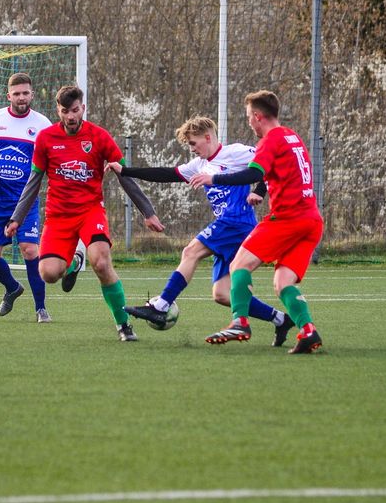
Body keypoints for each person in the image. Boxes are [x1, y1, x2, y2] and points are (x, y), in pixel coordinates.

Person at [107, 116, 294, 346]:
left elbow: (270, 163)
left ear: (207, 137)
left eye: (193, 143)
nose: (192, 149)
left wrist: (259, 191)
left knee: (191, 251)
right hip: (229, 227)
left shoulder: (236, 152)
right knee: (222, 294)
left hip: (236, 222)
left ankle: (161, 305)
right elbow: (166, 174)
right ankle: (280, 319)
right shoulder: (198, 165)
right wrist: (125, 171)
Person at [6, 84, 164, 341]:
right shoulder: (45, 138)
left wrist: (148, 212)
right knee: (48, 274)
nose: (70, 116)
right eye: (65, 111)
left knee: (101, 262)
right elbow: (34, 181)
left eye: (75, 110)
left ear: (83, 108)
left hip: (91, 212)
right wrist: (17, 218)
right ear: (58, 110)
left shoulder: (100, 137)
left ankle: (123, 325)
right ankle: (73, 264)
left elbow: (124, 176)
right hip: (58, 217)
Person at [187, 90, 324, 354]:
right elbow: (272, 174)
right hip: (311, 220)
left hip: (287, 219)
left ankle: (239, 322)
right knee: (283, 282)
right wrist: (260, 191)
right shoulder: (291, 136)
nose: (249, 121)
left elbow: (252, 173)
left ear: (258, 116)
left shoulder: (270, 140)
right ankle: (308, 331)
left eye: (249, 116)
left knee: (239, 264)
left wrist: (214, 178)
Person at [0, 72, 54, 322]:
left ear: (32, 94)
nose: (21, 97)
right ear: (8, 96)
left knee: (30, 250)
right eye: (17, 94)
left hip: (25, 201)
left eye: (25, 93)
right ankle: (13, 288)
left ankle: (41, 308)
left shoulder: (43, 124)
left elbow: (54, 159)